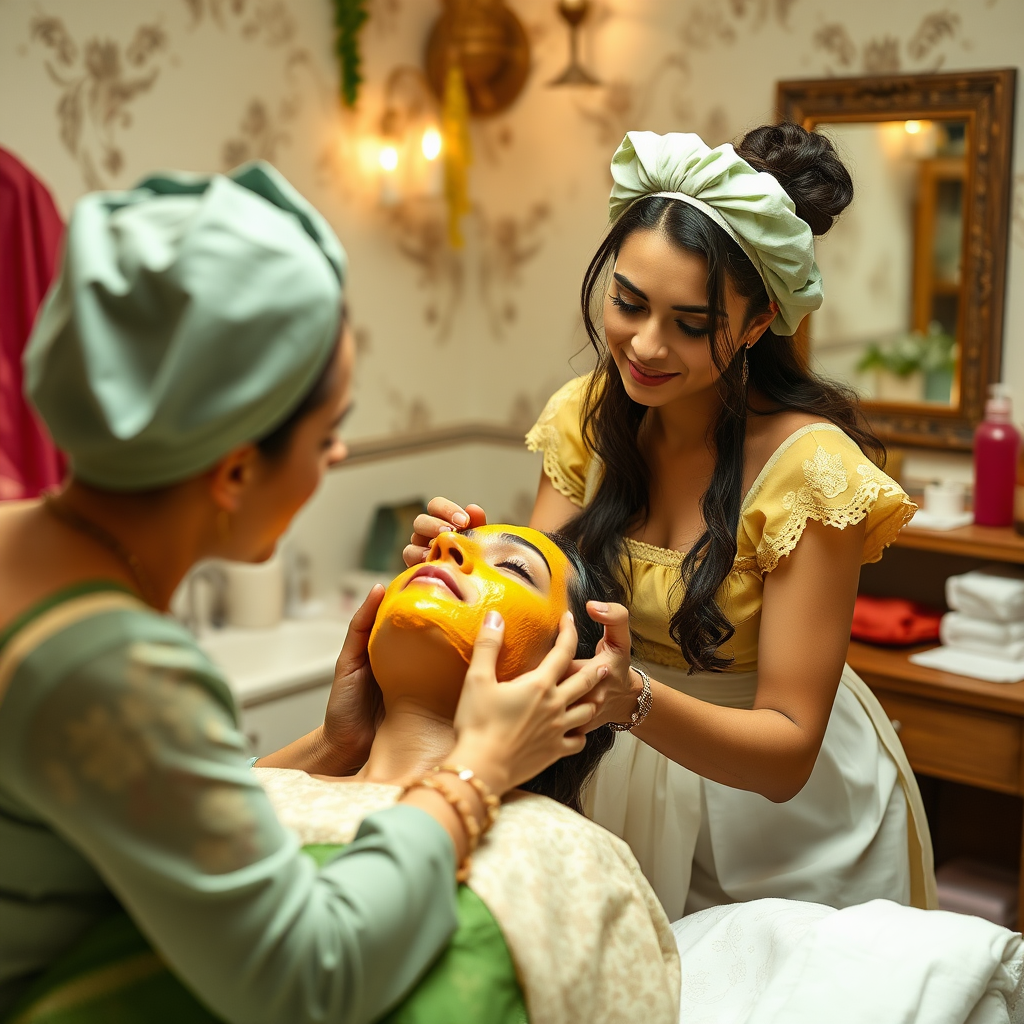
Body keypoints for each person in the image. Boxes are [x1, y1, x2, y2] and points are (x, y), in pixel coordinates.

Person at [0, 163, 604, 1024]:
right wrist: (476, 773)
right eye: (327, 433)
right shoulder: (117, 674)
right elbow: (312, 974)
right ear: (236, 468)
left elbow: (151, 815)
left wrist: (329, 744)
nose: (340, 459)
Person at [404, 124, 936, 921]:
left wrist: (633, 699)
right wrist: (463, 569)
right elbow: (544, 619)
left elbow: (789, 748)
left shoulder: (809, 474)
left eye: (691, 324)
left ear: (757, 325)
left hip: (774, 827)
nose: (646, 345)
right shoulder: (585, 422)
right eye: (628, 303)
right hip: (619, 768)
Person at [257, 524, 680, 1024]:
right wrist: (333, 743)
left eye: (512, 567)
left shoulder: (577, 858)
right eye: (426, 558)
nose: (443, 546)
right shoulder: (250, 790)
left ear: (569, 676)